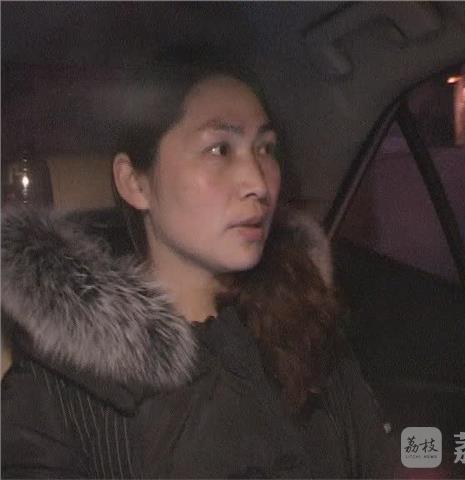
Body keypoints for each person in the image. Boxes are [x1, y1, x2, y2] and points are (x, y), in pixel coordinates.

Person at [1, 56, 400, 478]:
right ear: (135, 183)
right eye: (219, 149)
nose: (258, 183)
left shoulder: (304, 321)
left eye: (265, 149)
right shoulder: (61, 386)